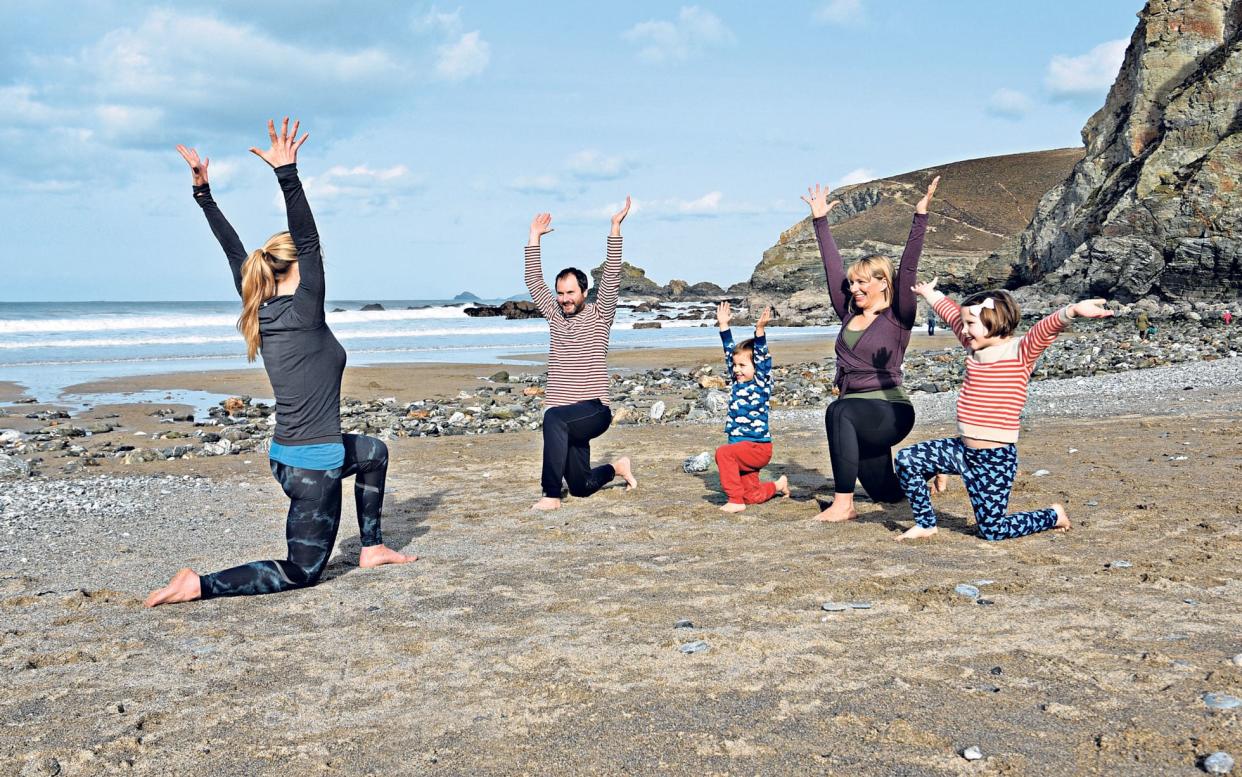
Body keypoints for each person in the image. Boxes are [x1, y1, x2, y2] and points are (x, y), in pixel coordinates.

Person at [146, 119, 415, 607]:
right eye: (310, 260)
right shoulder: (306, 309)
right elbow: (308, 240)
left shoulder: (258, 305)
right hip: (313, 466)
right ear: (299, 268)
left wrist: (204, 196)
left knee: (374, 451)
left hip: (289, 455)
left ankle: (372, 547)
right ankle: (198, 584)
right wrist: (287, 173)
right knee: (302, 571)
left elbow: (233, 250)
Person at [893, 283, 1113, 541]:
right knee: (907, 460)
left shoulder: (1020, 351)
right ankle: (926, 522)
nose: (963, 330)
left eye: (970, 324)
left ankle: (1053, 515)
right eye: (964, 324)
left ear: (994, 320)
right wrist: (930, 294)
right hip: (962, 451)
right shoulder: (972, 346)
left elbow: (1044, 330)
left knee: (992, 530)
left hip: (995, 459)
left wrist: (1072, 310)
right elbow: (952, 315)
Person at [803, 176, 942, 522]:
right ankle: (928, 470)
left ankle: (844, 504)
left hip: (889, 410)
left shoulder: (899, 317)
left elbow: (908, 266)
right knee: (885, 492)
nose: (854, 288)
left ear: (883, 282)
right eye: (852, 283)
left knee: (838, 412)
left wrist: (920, 217)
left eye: (862, 282)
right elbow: (831, 268)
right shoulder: (848, 313)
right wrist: (820, 221)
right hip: (859, 416)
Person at [524, 204, 638, 510]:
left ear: (584, 292)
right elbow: (534, 280)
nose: (564, 299)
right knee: (581, 486)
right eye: (560, 293)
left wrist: (615, 228)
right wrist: (534, 236)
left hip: (594, 410)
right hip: (566, 418)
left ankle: (549, 494)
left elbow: (612, 274)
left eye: (570, 293)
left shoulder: (601, 315)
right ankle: (617, 468)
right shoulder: (555, 316)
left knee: (552, 417)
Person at [713, 302, 791, 513]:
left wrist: (760, 331)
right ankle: (778, 485)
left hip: (757, 449)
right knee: (751, 495)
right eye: (735, 366)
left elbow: (762, 358)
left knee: (723, 453)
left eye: (742, 366)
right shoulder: (736, 382)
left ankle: (735, 501)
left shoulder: (760, 382)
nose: (737, 370)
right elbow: (730, 351)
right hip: (740, 450)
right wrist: (723, 325)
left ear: (756, 368)